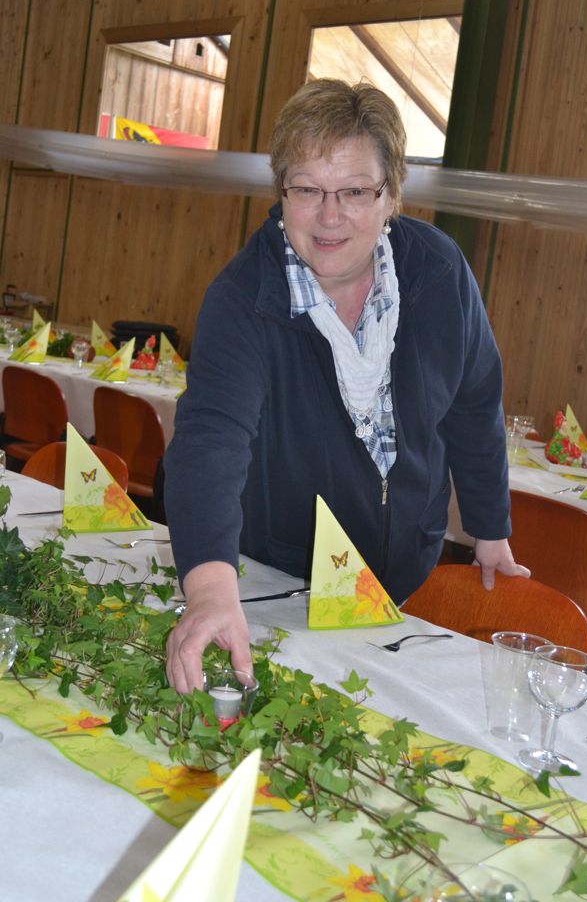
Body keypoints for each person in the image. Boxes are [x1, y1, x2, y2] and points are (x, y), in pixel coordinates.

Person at [164, 79, 529, 693]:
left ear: (391, 195)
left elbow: (474, 401)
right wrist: (208, 590)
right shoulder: (243, 298)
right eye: (307, 189)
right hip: (288, 587)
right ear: (282, 193)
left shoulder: (439, 272)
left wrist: (490, 529)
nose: (330, 216)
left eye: (356, 191)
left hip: (407, 576)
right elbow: (209, 442)